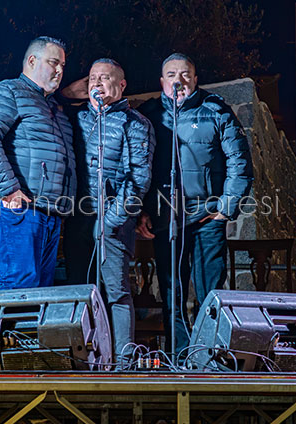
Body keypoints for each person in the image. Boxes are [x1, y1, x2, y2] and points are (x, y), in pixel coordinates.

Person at [137, 53, 253, 355]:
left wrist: (226, 207)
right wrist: (142, 211)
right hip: (166, 221)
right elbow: (138, 165)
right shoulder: (149, 115)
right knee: (171, 294)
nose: (179, 80)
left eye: (185, 74)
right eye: (171, 75)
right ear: (162, 82)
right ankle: (178, 356)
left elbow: (239, 161)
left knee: (210, 294)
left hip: (206, 219)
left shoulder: (216, 111)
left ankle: (208, 356)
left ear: (196, 79)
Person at [64, 58, 154, 366]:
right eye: (92, 79)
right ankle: (82, 362)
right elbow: (56, 98)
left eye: (105, 78)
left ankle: (123, 362)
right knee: (78, 291)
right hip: (78, 219)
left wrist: (111, 221)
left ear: (122, 85)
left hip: (113, 222)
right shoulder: (76, 118)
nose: (97, 84)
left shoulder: (135, 123)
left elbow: (138, 179)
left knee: (116, 292)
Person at [0, 36, 76, 289]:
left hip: (46, 210)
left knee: (39, 291)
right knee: (21, 285)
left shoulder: (53, 107)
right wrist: (9, 190)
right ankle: (11, 320)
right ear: (32, 60)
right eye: (53, 62)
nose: (60, 70)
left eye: (62, 65)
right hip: (16, 206)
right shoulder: (8, 91)